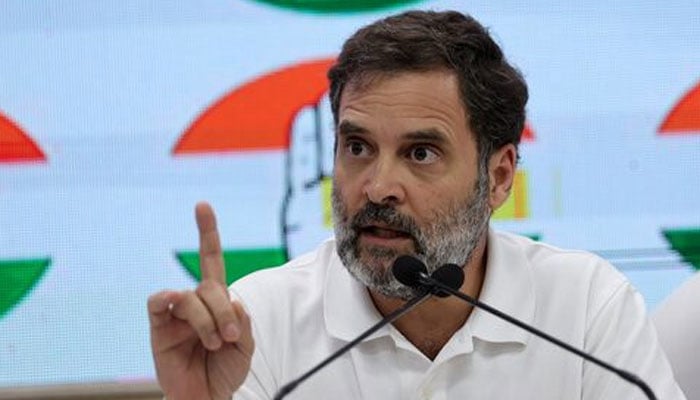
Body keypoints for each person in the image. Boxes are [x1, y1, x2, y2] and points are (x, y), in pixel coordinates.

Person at [148, 10, 686, 400]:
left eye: (421, 152)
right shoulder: (260, 321)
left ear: (498, 177)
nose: (379, 187)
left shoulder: (587, 310)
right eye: (357, 147)